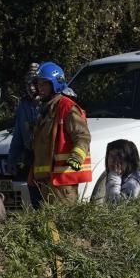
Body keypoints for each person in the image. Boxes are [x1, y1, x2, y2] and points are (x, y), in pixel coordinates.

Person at [30, 62, 92, 205]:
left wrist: (77, 156)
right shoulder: (46, 110)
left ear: (56, 84)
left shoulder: (67, 107)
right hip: (46, 181)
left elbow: (82, 136)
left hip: (62, 182)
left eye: (45, 84)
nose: (40, 88)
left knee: (62, 224)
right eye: (39, 84)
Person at [7, 62, 43, 206]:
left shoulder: (52, 102)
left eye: (34, 82)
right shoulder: (24, 104)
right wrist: (12, 160)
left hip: (48, 158)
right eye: (28, 83)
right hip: (32, 158)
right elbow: (18, 135)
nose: (31, 87)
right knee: (35, 199)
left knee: (50, 200)